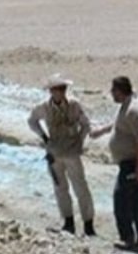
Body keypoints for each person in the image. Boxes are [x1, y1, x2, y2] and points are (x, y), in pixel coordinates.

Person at [27, 74, 96, 236]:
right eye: (57, 89)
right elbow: (32, 120)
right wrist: (44, 137)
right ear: (51, 91)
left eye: (63, 88)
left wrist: (79, 141)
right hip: (54, 153)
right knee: (60, 188)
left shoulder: (74, 105)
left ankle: (88, 225)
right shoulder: (44, 107)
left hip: (72, 153)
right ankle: (68, 222)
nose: (61, 91)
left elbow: (85, 124)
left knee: (81, 187)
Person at [91, 75, 138, 253]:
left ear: (120, 91)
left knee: (126, 202)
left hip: (133, 163)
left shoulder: (135, 110)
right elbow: (120, 124)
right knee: (132, 202)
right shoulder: (127, 106)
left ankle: (136, 241)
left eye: (113, 90)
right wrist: (102, 131)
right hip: (128, 163)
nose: (111, 94)